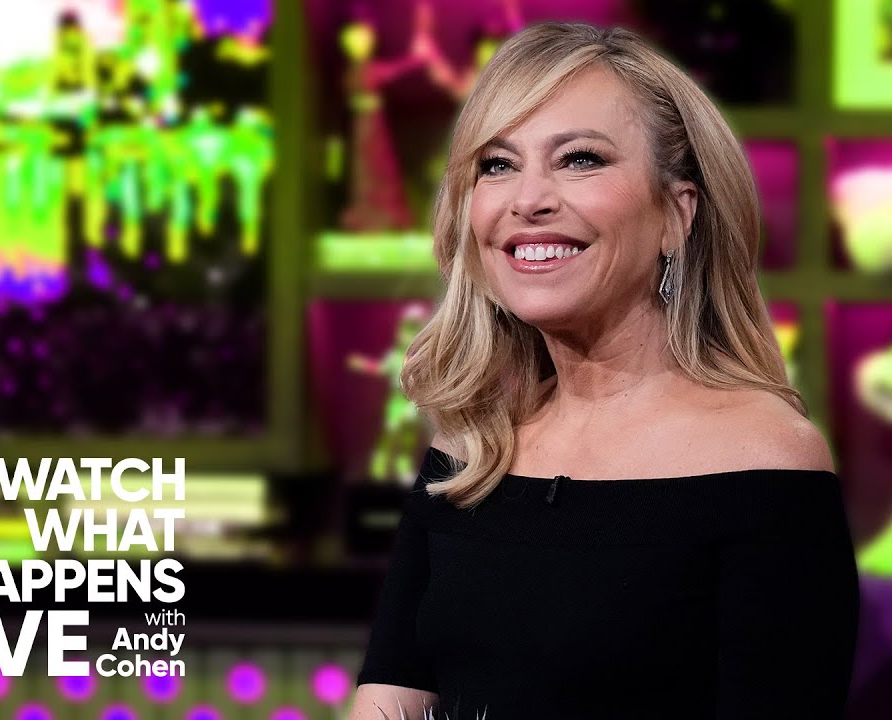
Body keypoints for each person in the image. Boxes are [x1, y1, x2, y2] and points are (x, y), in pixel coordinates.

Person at [350, 21, 860, 719]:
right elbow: (390, 699)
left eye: (580, 159)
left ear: (677, 214)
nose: (527, 199)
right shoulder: (471, 452)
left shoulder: (766, 458)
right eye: (496, 165)